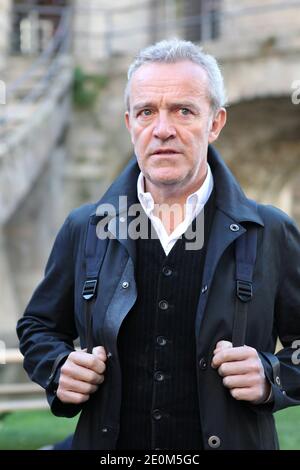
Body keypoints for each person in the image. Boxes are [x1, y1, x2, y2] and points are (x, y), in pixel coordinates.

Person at [17, 38, 300, 450]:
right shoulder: (85, 227)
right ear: (129, 123)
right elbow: (38, 328)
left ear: (215, 123)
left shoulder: (269, 231)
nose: (162, 129)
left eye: (183, 111)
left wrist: (272, 375)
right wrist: (59, 368)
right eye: (146, 111)